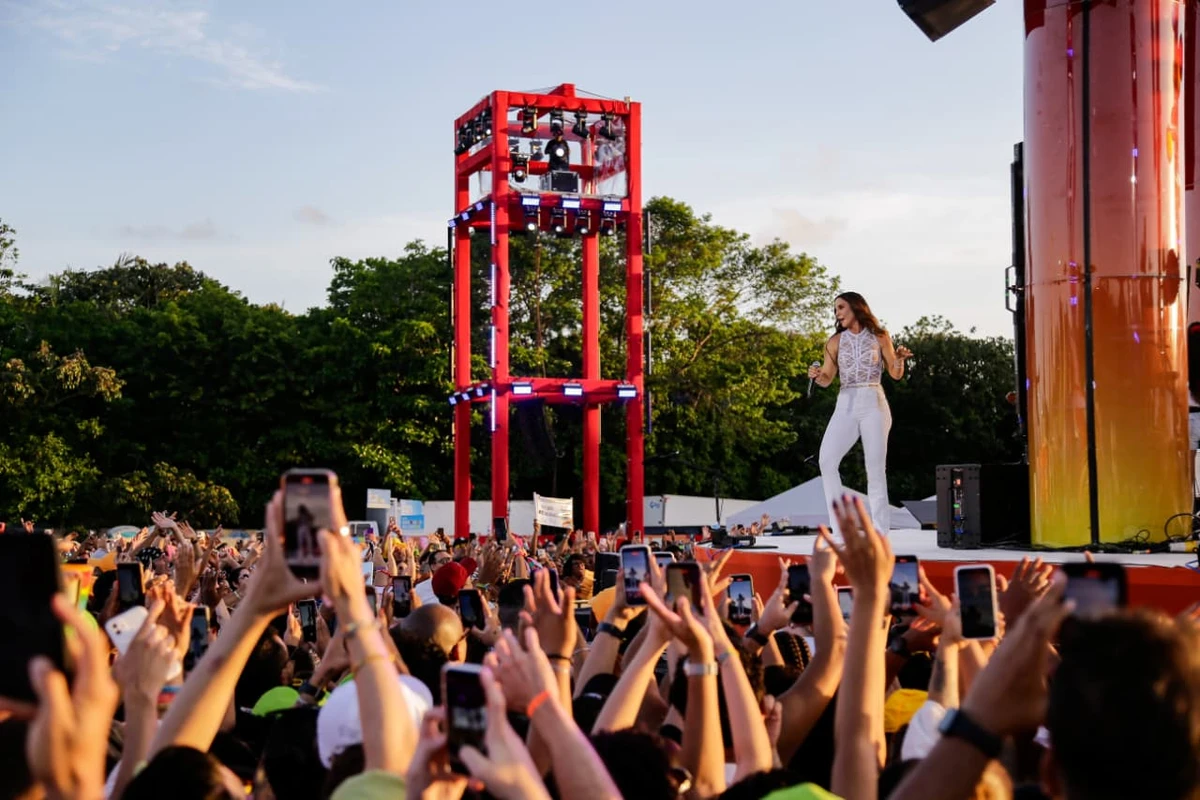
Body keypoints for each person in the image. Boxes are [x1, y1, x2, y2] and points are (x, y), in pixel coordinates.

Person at [808, 292, 912, 535]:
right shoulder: (834, 342)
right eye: (835, 310)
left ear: (856, 307)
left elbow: (895, 374)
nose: (837, 313)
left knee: (874, 468)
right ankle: (840, 527)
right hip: (845, 402)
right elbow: (826, 379)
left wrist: (899, 359)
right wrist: (815, 376)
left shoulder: (879, 336)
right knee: (826, 460)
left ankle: (880, 531)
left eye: (841, 307)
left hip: (873, 401)